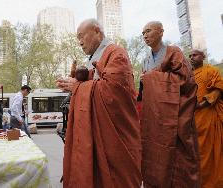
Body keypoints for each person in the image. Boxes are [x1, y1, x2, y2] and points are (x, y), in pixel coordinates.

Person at [56, 19, 142, 188]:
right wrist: (75, 86)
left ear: (97, 31)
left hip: (115, 142)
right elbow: (92, 87)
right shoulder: (94, 61)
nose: (79, 41)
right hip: (95, 138)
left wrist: (78, 88)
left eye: (81, 36)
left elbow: (113, 93)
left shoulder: (116, 53)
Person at [140, 21, 201, 187]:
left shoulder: (174, 52)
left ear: (161, 32)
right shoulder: (145, 61)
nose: (145, 35)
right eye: (143, 33)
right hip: (155, 117)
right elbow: (146, 91)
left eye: (148, 31)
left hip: (175, 115)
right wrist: (146, 81)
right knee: (155, 154)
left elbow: (186, 81)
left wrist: (152, 78)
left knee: (179, 156)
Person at [189, 49, 223, 188]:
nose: (191, 57)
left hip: (209, 116)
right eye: (190, 56)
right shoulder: (188, 76)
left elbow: (218, 89)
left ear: (203, 57)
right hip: (193, 119)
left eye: (195, 55)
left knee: (211, 150)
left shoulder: (211, 70)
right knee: (197, 152)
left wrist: (202, 104)